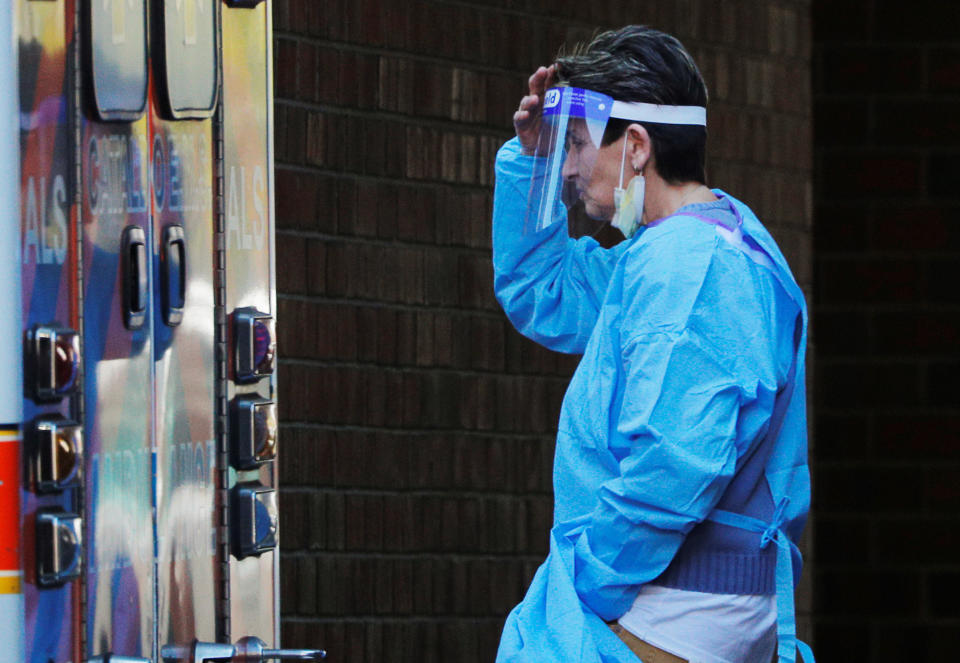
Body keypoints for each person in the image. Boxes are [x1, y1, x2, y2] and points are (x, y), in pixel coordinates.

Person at [492, 26, 814, 663]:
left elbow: (673, 465)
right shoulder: (694, 245)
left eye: (578, 143)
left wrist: (588, 584)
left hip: (665, 609)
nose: (572, 166)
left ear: (636, 146)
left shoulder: (685, 266)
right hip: (691, 607)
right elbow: (542, 290)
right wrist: (534, 163)